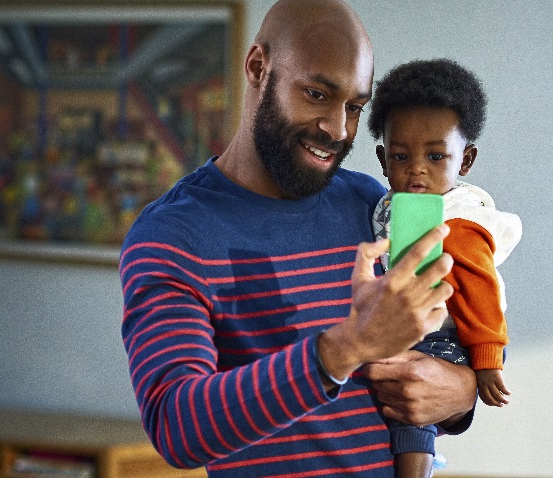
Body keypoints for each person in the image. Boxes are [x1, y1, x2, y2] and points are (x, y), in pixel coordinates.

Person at [120, 2, 477, 477]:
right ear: (257, 68)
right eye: (316, 94)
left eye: (354, 107)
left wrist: (460, 393)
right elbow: (176, 427)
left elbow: (434, 350)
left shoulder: (372, 206)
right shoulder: (173, 235)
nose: (338, 128)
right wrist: (343, 349)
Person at [368, 58, 523, 477]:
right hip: (418, 321)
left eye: (436, 156)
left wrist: (487, 361)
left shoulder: (459, 221)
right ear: (383, 160)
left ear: (466, 159)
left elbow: (480, 289)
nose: (417, 168)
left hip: (453, 331)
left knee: (410, 408)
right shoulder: (384, 207)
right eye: (401, 156)